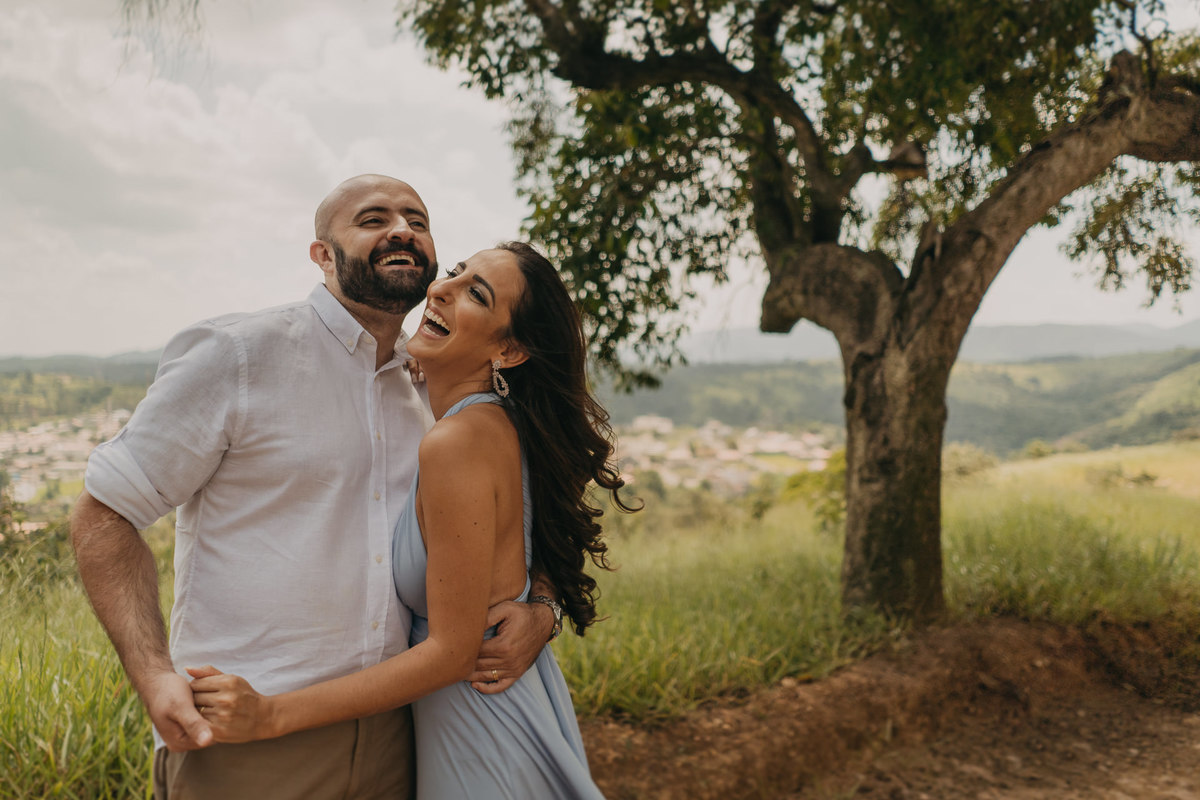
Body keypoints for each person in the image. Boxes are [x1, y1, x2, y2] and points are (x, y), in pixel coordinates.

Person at [71, 176, 557, 800]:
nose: (401, 230)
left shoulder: (435, 383)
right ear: (322, 255)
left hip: (403, 735)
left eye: (417, 218)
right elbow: (104, 514)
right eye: (373, 219)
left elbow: (513, 523)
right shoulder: (239, 355)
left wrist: (544, 609)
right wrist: (152, 673)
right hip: (251, 741)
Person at [187, 242, 634, 798]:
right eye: (454, 273)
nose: (442, 289)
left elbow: (451, 653)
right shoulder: (497, 421)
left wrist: (270, 715)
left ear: (509, 349)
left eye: (476, 294)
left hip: (480, 728)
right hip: (495, 707)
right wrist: (544, 605)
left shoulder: (457, 441)